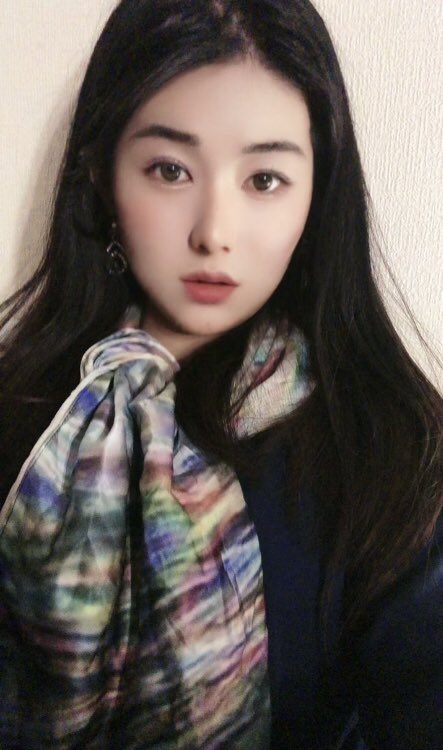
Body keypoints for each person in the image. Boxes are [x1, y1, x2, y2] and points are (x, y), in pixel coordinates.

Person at [0, 0, 442, 747]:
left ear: (318, 193)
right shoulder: (24, 415)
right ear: (103, 177)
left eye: (264, 179)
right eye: (169, 170)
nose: (214, 232)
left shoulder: (392, 453)